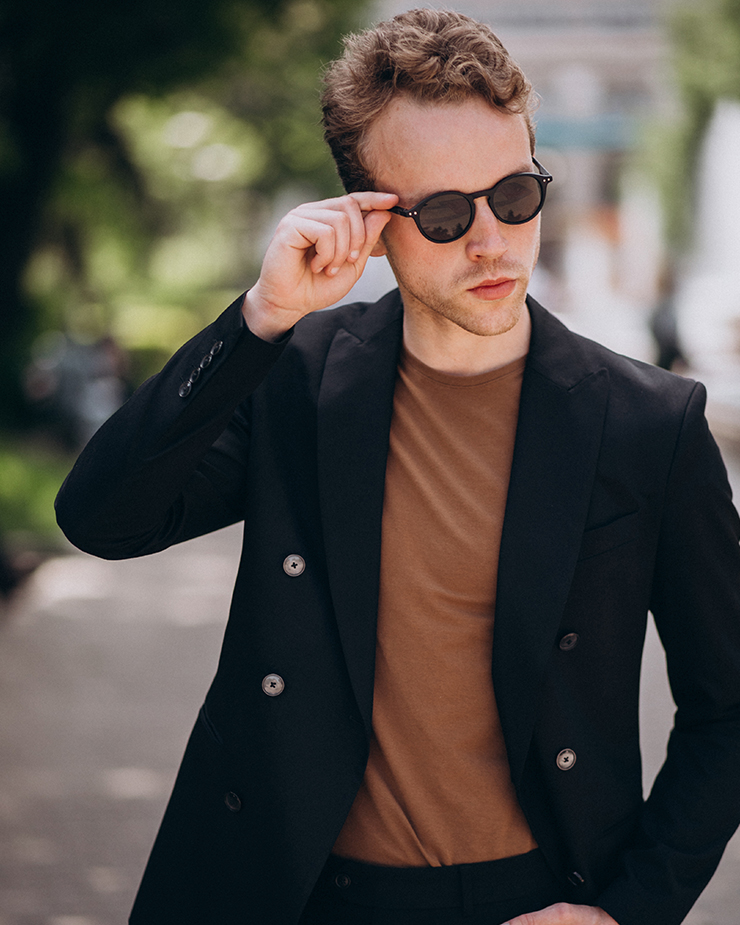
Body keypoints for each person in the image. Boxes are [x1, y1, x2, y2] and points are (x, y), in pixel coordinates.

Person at [54, 9, 740, 925]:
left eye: (515, 195)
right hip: (297, 893)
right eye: (448, 214)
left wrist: (632, 909)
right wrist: (260, 316)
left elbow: (730, 705)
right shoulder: (298, 377)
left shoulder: (650, 423)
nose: (492, 241)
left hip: (537, 899)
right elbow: (103, 518)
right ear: (372, 223)